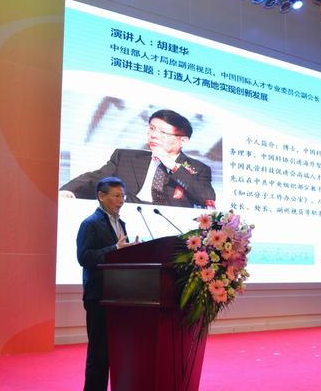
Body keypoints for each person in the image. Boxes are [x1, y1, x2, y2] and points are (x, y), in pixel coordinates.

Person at [60, 109, 216, 209]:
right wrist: (70, 191)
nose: (153, 135)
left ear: (183, 141)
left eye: (163, 132)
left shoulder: (199, 169)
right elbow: (96, 178)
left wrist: (174, 167)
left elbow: (207, 198)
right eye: (152, 129)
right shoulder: (126, 158)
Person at [77, 177, 139, 391]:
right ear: (101, 196)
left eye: (123, 196)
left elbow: (119, 255)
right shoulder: (90, 224)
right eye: (116, 196)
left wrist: (133, 251)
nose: (121, 200)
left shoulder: (121, 223)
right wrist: (115, 249)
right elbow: (84, 257)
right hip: (99, 295)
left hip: (119, 295)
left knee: (117, 352)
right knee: (99, 353)